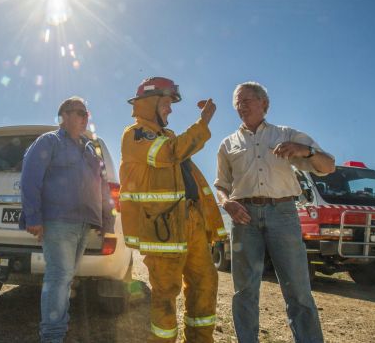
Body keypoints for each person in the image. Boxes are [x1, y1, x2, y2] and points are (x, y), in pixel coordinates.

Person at [215, 81, 335, 343]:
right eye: (237, 102)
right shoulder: (227, 144)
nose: (240, 106)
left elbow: (329, 166)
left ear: (264, 104)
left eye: (246, 100)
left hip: (283, 215)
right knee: (244, 291)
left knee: (298, 290)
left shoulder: (286, 135)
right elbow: (221, 186)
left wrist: (307, 150)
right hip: (243, 217)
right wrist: (227, 203)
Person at [119, 76, 227, 342]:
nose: (170, 109)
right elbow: (169, 154)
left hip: (191, 223)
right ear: (150, 103)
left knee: (205, 284)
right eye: (166, 103)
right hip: (163, 230)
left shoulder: (165, 135)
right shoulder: (136, 135)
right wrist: (203, 123)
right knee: (165, 295)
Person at [20, 96, 115, 343]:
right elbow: (30, 179)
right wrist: (33, 217)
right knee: (59, 277)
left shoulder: (90, 149)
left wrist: (108, 224)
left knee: (65, 277)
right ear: (63, 116)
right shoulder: (49, 141)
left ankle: (57, 329)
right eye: (79, 112)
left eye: (86, 114)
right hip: (59, 221)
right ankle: (52, 336)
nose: (85, 118)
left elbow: (102, 187)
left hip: (84, 224)